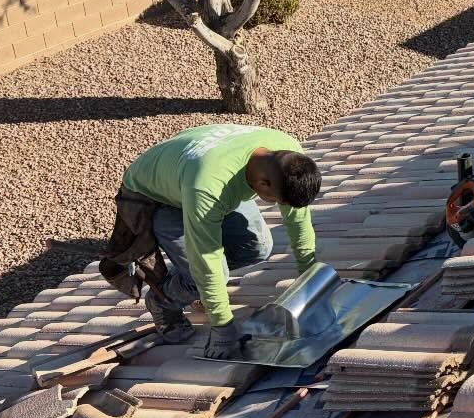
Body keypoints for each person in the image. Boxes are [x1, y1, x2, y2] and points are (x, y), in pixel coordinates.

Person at [118, 124, 322, 359]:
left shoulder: (289, 155)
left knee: (258, 247)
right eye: (278, 201)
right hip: (158, 196)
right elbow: (207, 259)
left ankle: (189, 281)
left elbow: (299, 223)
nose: (280, 206)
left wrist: (311, 282)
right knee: (202, 274)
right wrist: (223, 327)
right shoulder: (207, 188)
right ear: (263, 184)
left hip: (197, 168)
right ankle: (163, 299)